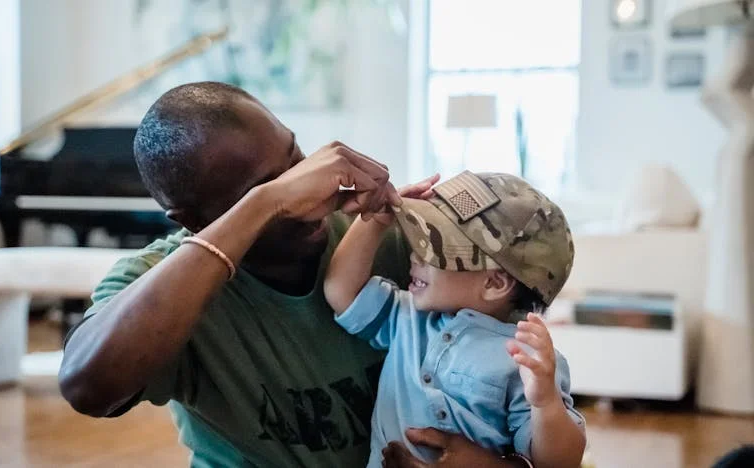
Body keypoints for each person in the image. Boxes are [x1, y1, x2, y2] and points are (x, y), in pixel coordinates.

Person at [58, 81, 530, 467]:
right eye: (261, 188)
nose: (307, 193)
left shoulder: (390, 242)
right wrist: (268, 203)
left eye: (296, 158)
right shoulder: (161, 284)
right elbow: (88, 388)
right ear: (192, 220)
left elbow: (519, 388)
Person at [324, 171, 587, 468]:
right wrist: (374, 221)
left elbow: (560, 462)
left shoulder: (526, 359)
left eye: (433, 249)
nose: (414, 255)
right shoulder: (407, 317)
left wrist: (545, 403)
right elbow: (340, 291)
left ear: (494, 284)